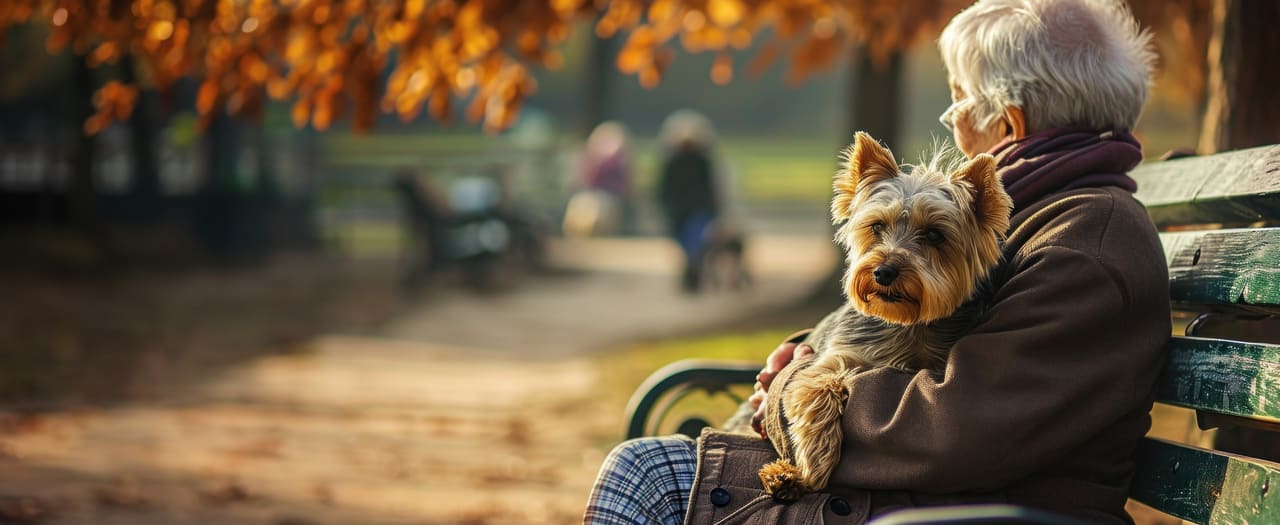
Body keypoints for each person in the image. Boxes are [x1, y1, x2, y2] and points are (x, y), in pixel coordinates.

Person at [582, 0, 1170, 523]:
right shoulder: (1051, 209)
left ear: (1008, 121)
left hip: (960, 508)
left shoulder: (1086, 238)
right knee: (646, 470)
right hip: (917, 493)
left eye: (959, 102)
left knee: (649, 479)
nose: (955, 121)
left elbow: (955, 431)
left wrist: (792, 391)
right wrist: (806, 354)